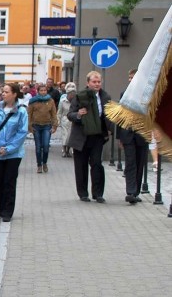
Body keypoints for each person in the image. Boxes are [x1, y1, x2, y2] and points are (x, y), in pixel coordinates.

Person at [67, 71, 113, 203]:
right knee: (81, 166)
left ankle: (98, 194)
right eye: (94, 82)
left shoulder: (105, 97)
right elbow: (70, 114)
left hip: (97, 136)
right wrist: (79, 114)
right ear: (88, 83)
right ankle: (83, 193)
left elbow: (108, 115)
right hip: (81, 135)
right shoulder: (79, 97)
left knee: (97, 164)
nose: (97, 84)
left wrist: (111, 130)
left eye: (99, 82)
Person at [0, 82, 29, 222]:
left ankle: (8, 211)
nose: (3, 94)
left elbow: (22, 132)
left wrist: (9, 148)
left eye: (6, 92)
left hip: (13, 154)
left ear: (14, 94)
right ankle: (1, 206)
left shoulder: (21, 111)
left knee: (9, 181)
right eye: (2, 92)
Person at [118, 69, 148, 204]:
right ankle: (130, 191)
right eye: (129, 77)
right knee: (130, 163)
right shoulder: (124, 94)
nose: (130, 80)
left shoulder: (147, 95)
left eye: (133, 77)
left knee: (140, 162)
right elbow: (120, 117)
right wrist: (119, 137)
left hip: (142, 134)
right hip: (128, 135)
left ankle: (136, 192)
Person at [27, 83, 59, 173]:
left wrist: (55, 125)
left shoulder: (50, 101)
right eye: (41, 90)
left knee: (45, 146)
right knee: (38, 147)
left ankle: (44, 162)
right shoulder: (33, 101)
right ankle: (39, 165)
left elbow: (53, 114)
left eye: (45, 90)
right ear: (38, 91)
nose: (43, 92)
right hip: (36, 126)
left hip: (47, 125)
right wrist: (29, 126)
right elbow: (29, 114)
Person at [57, 82, 76, 157]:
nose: (72, 95)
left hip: (73, 120)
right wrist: (58, 121)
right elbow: (59, 112)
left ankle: (68, 150)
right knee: (65, 136)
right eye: (71, 93)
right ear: (68, 94)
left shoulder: (76, 101)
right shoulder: (63, 101)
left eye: (73, 93)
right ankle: (64, 150)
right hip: (65, 120)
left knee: (70, 136)